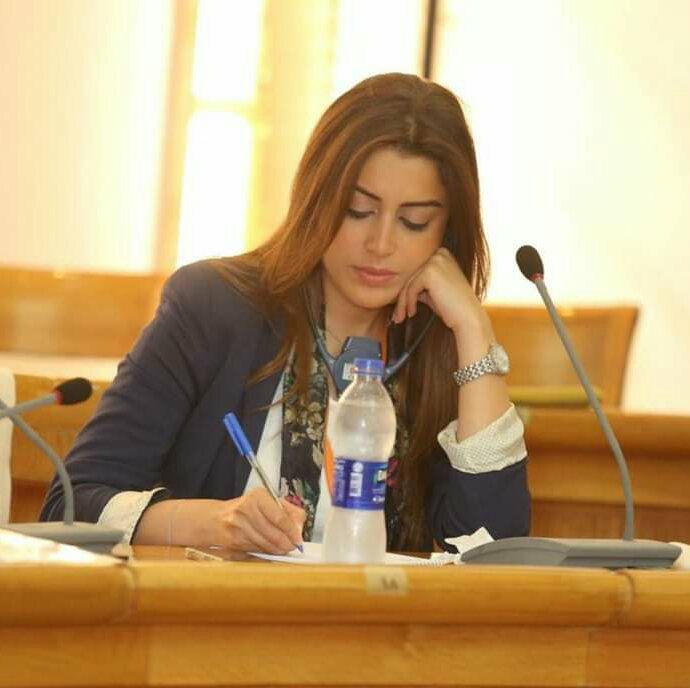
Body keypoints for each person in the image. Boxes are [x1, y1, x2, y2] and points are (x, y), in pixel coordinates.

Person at [41, 73, 530, 554]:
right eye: (358, 210)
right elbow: (71, 503)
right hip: (216, 606)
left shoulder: (443, 346)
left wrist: (474, 331)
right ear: (317, 199)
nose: (381, 243)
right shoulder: (213, 307)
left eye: (413, 222)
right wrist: (214, 522)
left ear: (447, 231)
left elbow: (497, 556)